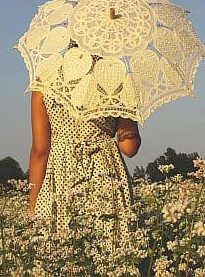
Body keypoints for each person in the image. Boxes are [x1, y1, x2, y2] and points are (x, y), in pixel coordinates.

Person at [26, 88, 141, 249]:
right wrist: (130, 112)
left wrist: (32, 209)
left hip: (61, 174)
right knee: (109, 247)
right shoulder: (116, 83)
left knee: (60, 251)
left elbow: (40, 151)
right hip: (105, 173)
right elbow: (129, 148)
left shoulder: (45, 86)